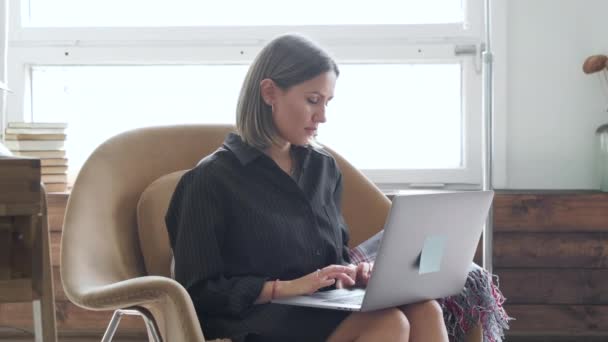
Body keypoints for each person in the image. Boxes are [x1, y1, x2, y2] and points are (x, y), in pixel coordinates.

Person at [165, 34, 449, 342]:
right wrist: (282, 287)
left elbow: (332, 255)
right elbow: (196, 292)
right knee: (389, 323)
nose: (323, 116)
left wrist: (351, 274)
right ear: (269, 92)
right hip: (257, 320)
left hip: (319, 307)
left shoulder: (323, 168)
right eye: (313, 100)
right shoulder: (209, 181)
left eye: (327, 102)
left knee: (425, 309)